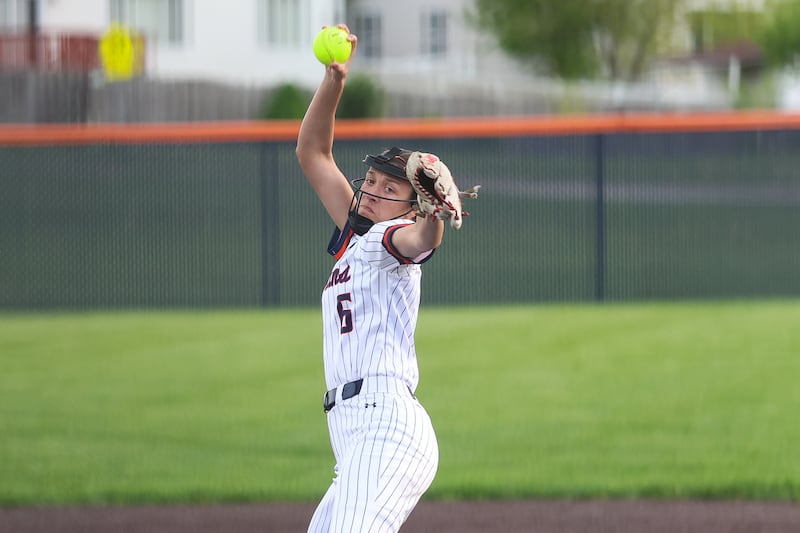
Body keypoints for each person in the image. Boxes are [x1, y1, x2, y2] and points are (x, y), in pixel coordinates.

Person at [296, 25, 447, 533]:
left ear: (409, 204)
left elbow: (422, 240)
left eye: (390, 188)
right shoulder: (355, 235)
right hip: (353, 435)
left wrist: (434, 214)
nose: (373, 191)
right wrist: (334, 81)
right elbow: (313, 153)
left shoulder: (393, 237)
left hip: (386, 423)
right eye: (373, 182)